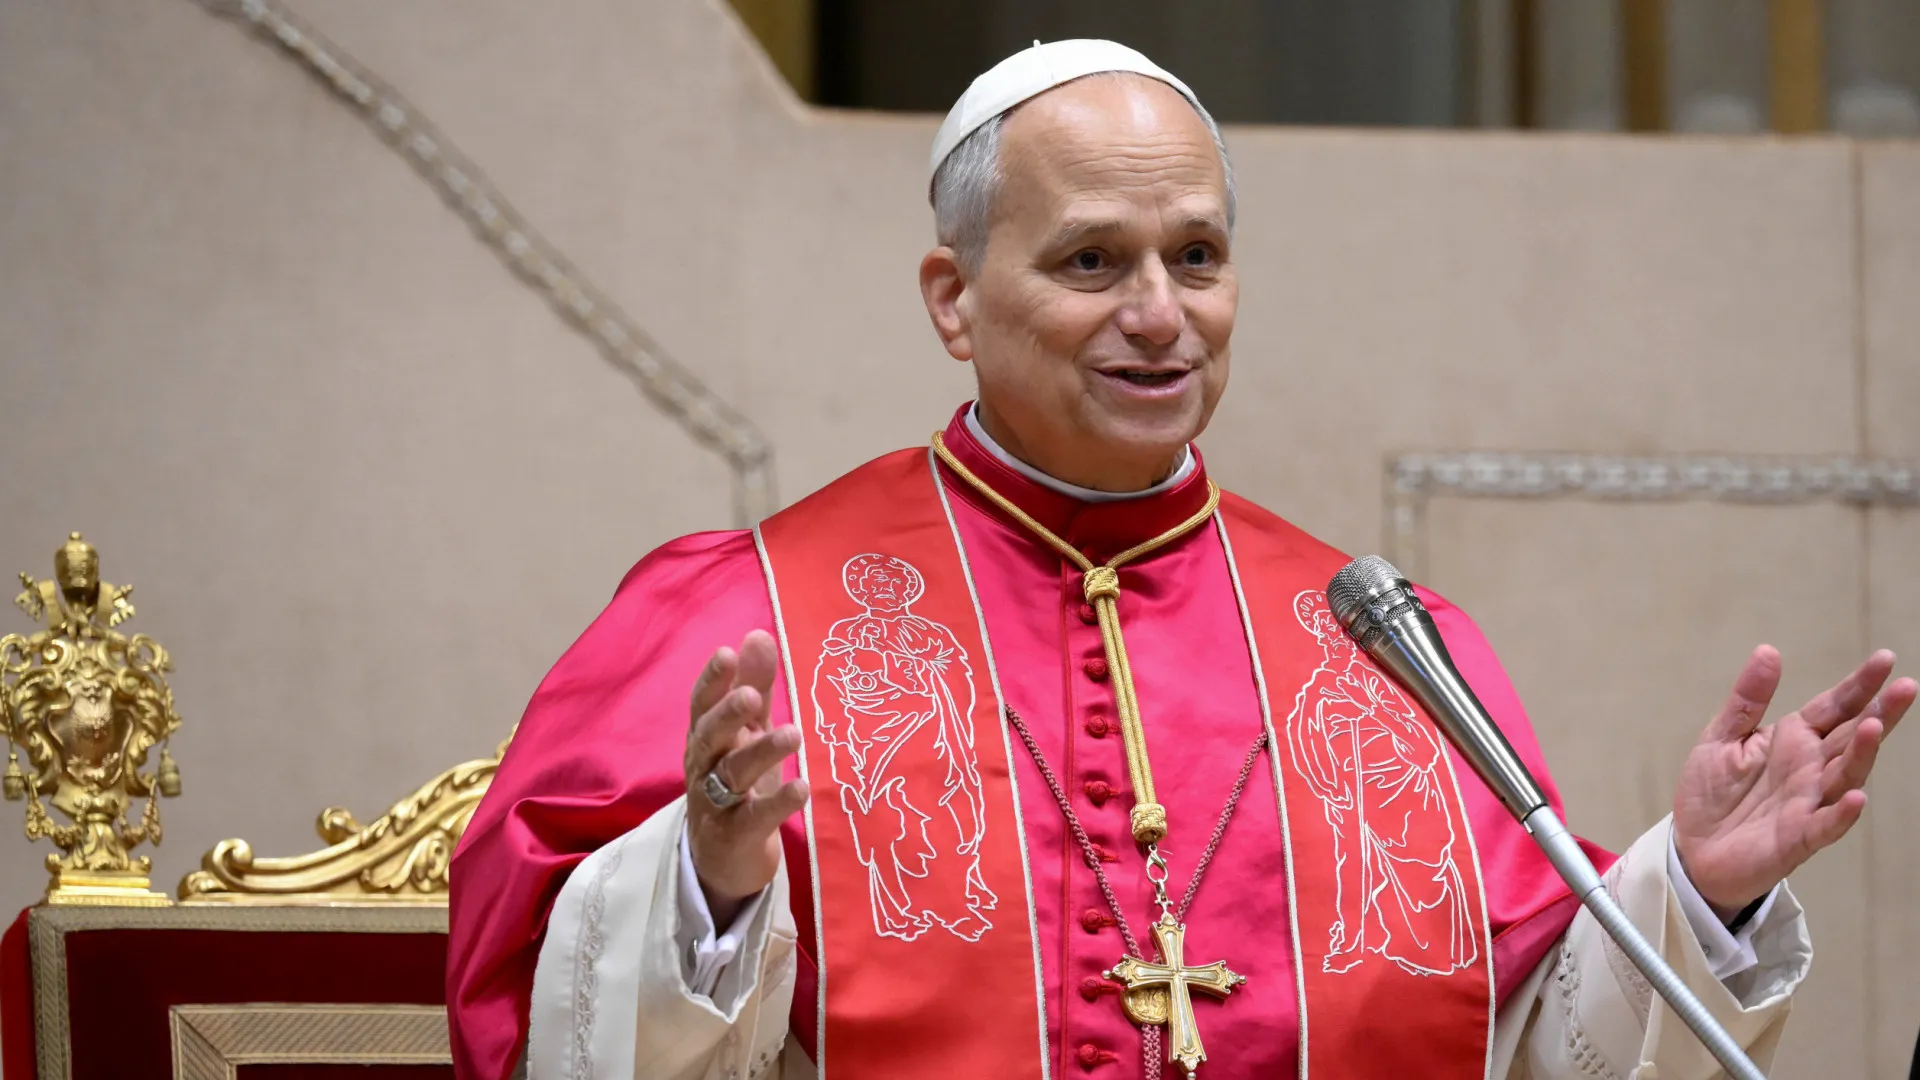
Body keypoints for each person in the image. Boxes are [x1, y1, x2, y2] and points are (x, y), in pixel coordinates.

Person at [446, 39, 1912, 1080]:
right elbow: (540, 1019)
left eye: (1197, 258)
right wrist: (700, 883)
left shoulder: (1380, 642)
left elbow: (1527, 1043)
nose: (1161, 313)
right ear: (954, 299)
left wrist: (1694, 893)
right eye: (1093, 261)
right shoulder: (744, 611)